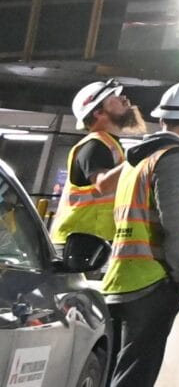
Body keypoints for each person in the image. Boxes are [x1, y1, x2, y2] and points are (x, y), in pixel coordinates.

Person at [102, 78, 179, 387]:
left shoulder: (136, 160)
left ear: (162, 118)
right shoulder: (174, 158)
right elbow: (173, 223)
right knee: (136, 375)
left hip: (122, 277)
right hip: (152, 281)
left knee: (117, 371)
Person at [51, 80, 145, 273]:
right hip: (78, 247)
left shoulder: (111, 145)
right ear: (99, 112)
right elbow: (103, 185)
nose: (124, 98)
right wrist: (138, 157)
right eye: (114, 97)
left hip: (91, 244)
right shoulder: (95, 145)